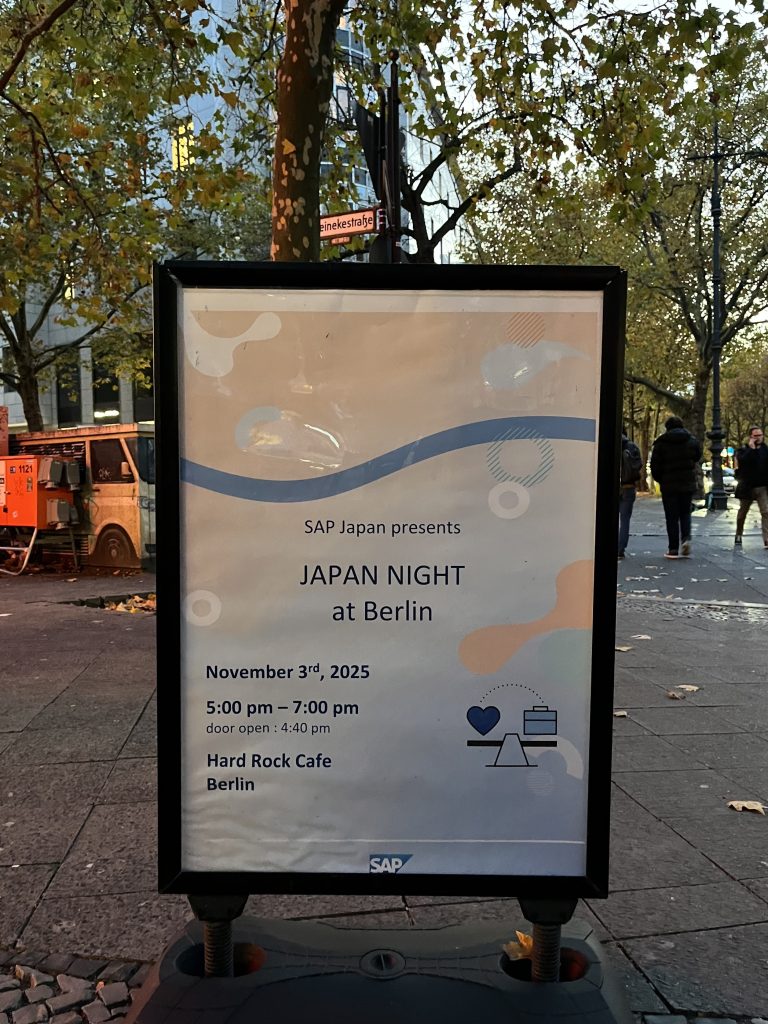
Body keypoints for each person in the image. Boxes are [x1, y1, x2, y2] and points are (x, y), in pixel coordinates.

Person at [650, 416, 702, 559]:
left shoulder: (661, 443)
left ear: (667, 427)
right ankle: (686, 539)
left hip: (669, 485)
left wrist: (661, 479)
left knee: (671, 517)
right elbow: (697, 456)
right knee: (685, 513)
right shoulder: (691, 440)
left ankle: (673, 548)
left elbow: (655, 466)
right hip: (687, 483)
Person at [734, 425, 768, 548]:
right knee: (742, 513)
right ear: (751, 437)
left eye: (760, 435)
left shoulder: (765, 450)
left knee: (766, 512)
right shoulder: (743, 450)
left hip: (761, 486)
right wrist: (752, 449)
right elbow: (743, 462)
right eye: (756, 435)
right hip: (747, 487)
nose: (758, 438)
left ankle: (766, 539)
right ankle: (738, 534)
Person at [618, 431, 642, 558]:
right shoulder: (632, 447)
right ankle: (620, 549)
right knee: (625, 519)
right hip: (628, 486)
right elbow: (639, 465)